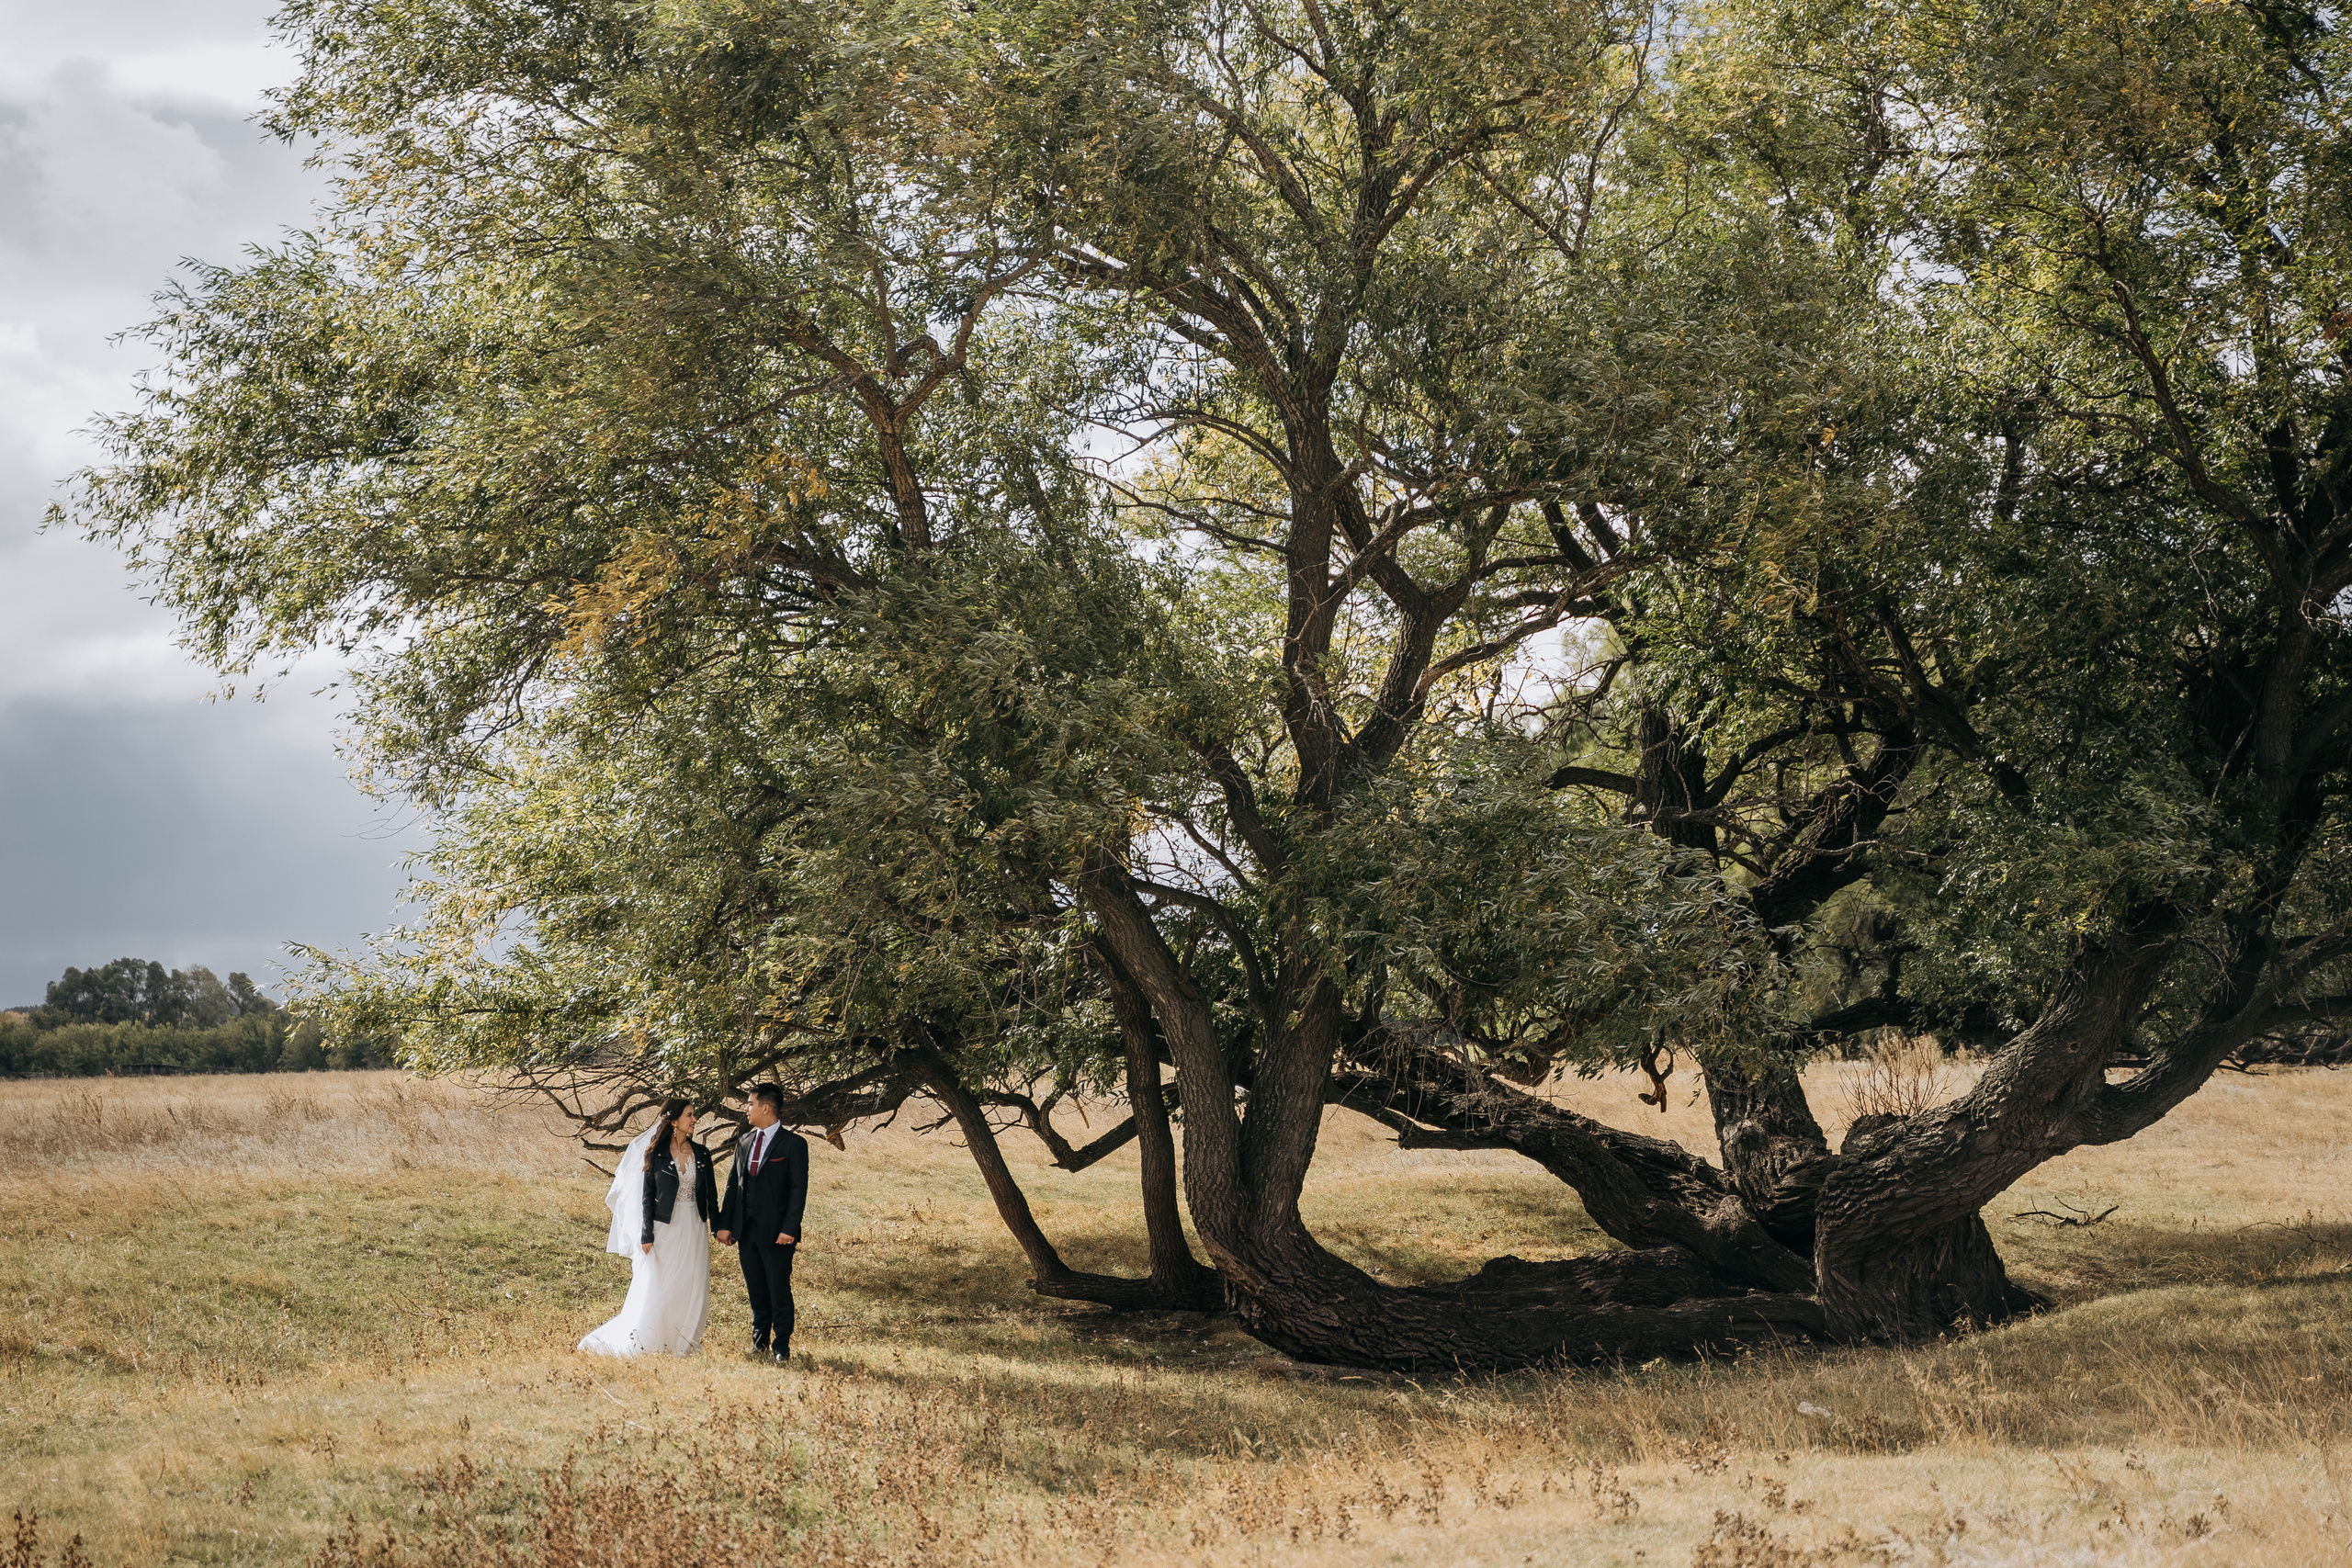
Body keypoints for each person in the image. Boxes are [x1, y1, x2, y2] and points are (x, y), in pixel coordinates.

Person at [578, 1099, 718, 1357]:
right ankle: (649, 1338)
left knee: (692, 1282)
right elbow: (646, 1196)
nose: (694, 1119)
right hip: (665, 1227)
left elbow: (711, 1195)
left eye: (694, 1115)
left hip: (695, 1226)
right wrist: (646, 1235)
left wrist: (718, 1226)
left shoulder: (702, 1154)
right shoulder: (656, 1153)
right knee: (660, 1281)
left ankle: (683, 1341)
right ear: (674, 1121)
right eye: (689, 1115)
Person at [716, 1082, 808, 1364]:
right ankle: (759, 1343)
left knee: (778, 1289)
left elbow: (797, 1189)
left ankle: (782, 1346)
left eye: (750, 1104)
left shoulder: (793, 1144)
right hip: (747, 1230)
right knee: (756, 1288)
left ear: (765, 1107)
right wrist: (724, 1224)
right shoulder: (744, 1142)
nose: (746, 1109)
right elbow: (734, 1186)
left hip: (777, 1233)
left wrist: (788, 1229)